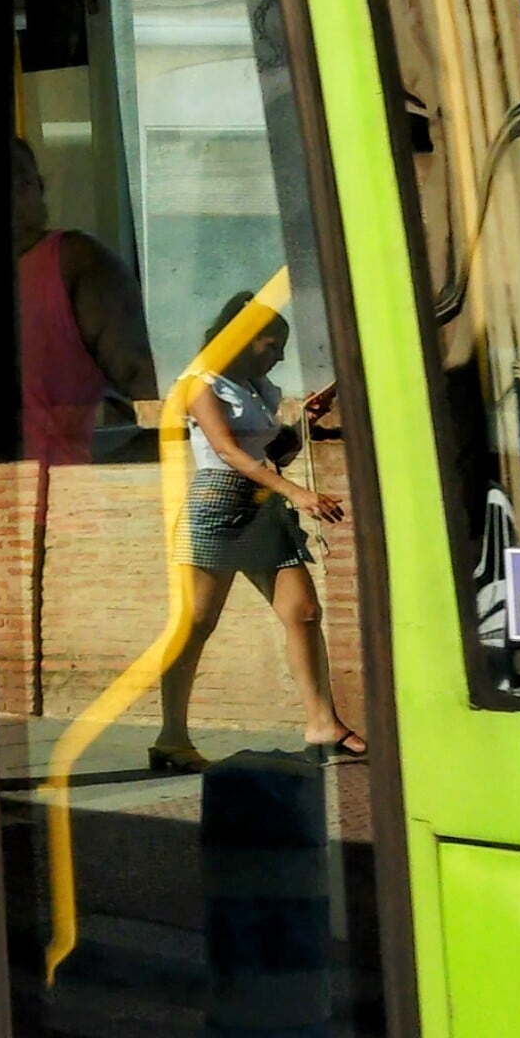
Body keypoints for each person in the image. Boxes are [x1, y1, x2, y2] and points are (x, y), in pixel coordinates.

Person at [150, 291, 357, 769]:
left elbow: (272, 454)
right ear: (244, 339)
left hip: (262, 504)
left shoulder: (258, 387)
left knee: (303, 612)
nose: (281, 354)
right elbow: (227, 452)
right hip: (218, 503)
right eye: (274, 343)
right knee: (196, 624)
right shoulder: (199, 382)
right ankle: (171, 737)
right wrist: (296, 493)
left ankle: (322, 723)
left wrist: (302, 422)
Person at [6, 139, 158, 464]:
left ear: (40, 189)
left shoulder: (74, 263)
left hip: (53, 500)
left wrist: (106, 479)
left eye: (22, 179)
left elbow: (151, 393)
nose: (10, 193)